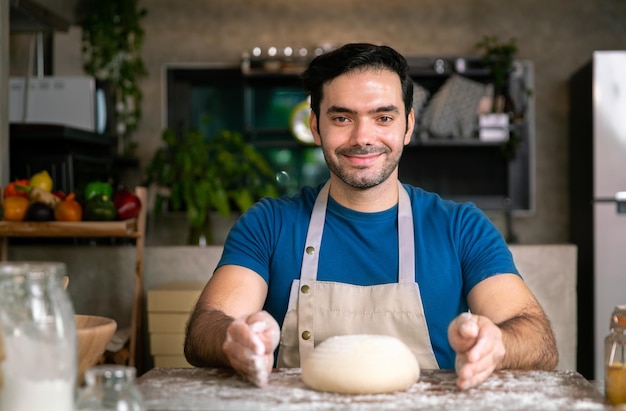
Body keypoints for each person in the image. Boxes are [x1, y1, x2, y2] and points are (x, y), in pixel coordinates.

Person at [184, 43, 558, 390]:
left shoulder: (461, 227)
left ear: (407, 126)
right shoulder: (269, 223)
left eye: (383, 117)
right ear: (316, 126)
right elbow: (205, 327)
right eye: (343, 118)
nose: (363, 137)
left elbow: (538, 340)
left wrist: (498, 344)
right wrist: (233, 339)